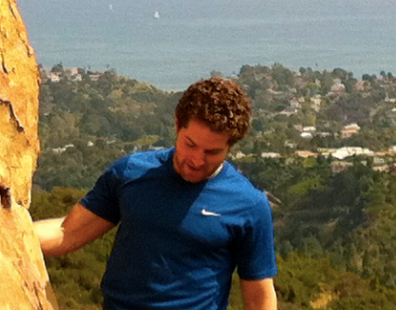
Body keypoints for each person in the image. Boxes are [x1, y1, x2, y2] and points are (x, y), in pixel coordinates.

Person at [34, 77, 278, 310]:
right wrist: (3, 231)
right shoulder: (131, 173)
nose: (196, 160)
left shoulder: (249, 205)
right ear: (176, 125)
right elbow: (69, 232)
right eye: (190, 144)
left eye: (212, 152)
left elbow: (259, 295)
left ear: (230, 146)